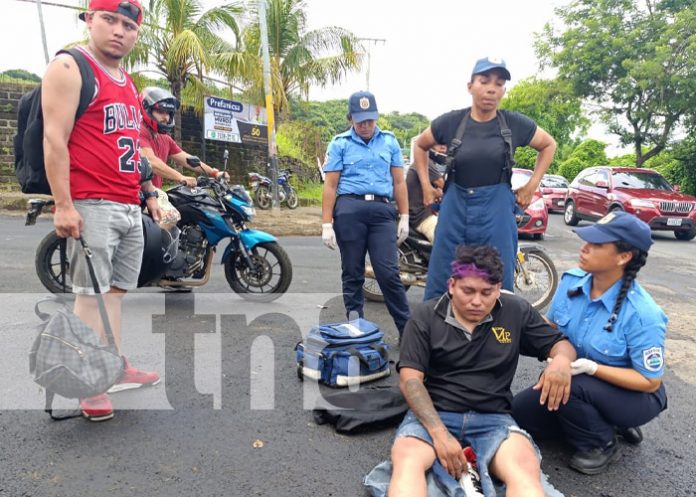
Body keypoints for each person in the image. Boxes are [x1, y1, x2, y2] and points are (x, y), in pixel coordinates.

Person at [42, 0, 161, 422]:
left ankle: (112, 366)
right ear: (89, 19)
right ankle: (87, 380)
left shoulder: (126, 82)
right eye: (109, 20)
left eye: (128, 25)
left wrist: (148, 193)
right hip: (91, 202)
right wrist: (63, 204)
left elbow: (131, 145)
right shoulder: (71, 67)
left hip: (127, 202)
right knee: (89, 296)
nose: (119, 31)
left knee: (114, 292)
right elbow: (55, 140)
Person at [389, 244, 576, 497]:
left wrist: (561, 362)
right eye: (468, 291)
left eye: (487, 292)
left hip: (494, 418)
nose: (477, 301)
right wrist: (440, 436)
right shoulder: (424, 316)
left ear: (498, 289)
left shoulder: (515, 310)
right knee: (407, 463)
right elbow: (410, 381)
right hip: (435, 415)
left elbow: (559, 344)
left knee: (525, 471)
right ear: (452, 285)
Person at [512, 212, 668, 475]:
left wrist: (592, 368)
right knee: (519, 415)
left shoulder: (642, 314)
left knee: (571, 388)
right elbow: (551, 328)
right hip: (578, 381)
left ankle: (601, 443)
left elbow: (650, 381)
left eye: (597, 245)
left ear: (623, 256)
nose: (584, 248)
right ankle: (599, 418)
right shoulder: (572, 283)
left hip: (634, 395)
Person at [412, 56, 557, 299]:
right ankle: (437, 333)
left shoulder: (513, 123)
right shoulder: (451, 122)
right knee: (443, 275)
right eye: (484, 81)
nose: (491, 88)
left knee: (498, 278)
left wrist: (531, 186)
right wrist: (426, 186)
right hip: (455, 208)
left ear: (503, 91)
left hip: (496, 211)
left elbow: (548, 144)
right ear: (470, 86)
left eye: (499, 83)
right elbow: (420, 145)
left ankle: (496, 335)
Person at [321, 91, 411, 336]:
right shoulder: (340, 143)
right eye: (360, 120)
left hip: (382, 211)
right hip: (349, 210)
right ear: (351, 118)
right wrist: (326, 223)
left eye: (370, 120)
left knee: (388, 273)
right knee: (352, 272)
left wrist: (404, 216)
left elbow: (399, 182)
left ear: (376, 117)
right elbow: (330, 185)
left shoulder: (390, 141)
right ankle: (356, 330)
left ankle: (409, 332)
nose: (365, 125)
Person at [139, 86, 224, 189]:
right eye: (160, 111)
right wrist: (180, 177)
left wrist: (214, 172)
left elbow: (185, 158)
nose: (166, 117)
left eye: (168, 113)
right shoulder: (138, 131)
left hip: (154, 195)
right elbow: (151, 163)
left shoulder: (164, 137)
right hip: (136, 198)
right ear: (147, 109)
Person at [406, 148, 446, 243]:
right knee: (446, 243)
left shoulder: (426, 163)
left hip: (426, 212)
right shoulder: (425, 162)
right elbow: (444, 185)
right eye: (440, 146)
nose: (444, 149)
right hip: (422, 216)